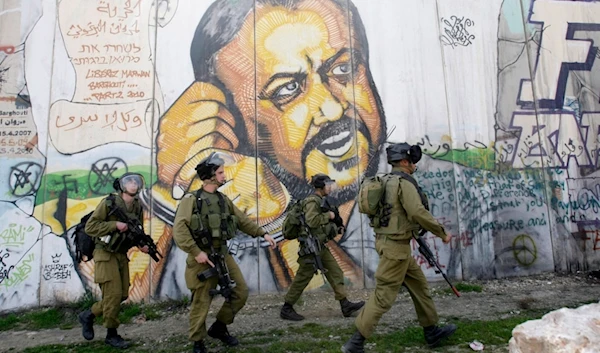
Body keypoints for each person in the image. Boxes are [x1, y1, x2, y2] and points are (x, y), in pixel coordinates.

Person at [341, 143, 457, 352]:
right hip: (396, 250)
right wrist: (441, 232)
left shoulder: (385, 181)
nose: (414, 165)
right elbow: (417, 212)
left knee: (420, 287)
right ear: (404, 162)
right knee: (384, 296)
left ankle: (431, 331)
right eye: (411, 160)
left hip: (393, 246)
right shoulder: (404, 184)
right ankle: (355, 342)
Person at [172, 152, 276, 353]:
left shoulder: (223, 199)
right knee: (201, 300)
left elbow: (241, 220)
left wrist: (262, 233)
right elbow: (180, 228)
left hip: (221, 253)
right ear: (210, 176)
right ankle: (197, 341)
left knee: (240, 291)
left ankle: (219, 327)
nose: (223, 175)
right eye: (219, 172)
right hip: (201, 257)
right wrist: (195, 251)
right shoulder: (192, 200)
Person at [78, 173, 150, 349]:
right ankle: (112, 334)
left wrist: (141, 245)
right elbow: (91, 226)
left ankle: (89, 314)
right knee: (113, 295)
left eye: (136, 181)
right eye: (130, 181)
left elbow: (135, 231)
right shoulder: (109, 203)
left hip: (120, 254)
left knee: (123, 294)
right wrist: (114, 225)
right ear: (122, 185)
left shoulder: (137, 207)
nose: (133, 184)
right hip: (104, 253)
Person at [280, 173, 364, 321]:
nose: (330, 188)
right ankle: (287, 308)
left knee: (335, 272)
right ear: (321, 186)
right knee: (303, 278)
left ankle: (345, 304)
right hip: (311, 248)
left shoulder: (320, 200)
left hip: (320, 246)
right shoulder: (312, 201)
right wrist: (329, 216)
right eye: (328, 185)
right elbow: (312, 221)